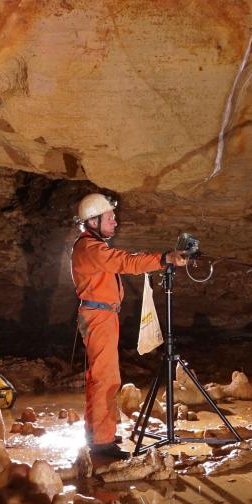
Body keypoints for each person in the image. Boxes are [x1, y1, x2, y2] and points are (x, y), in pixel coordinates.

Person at [71, 192, 187, 460]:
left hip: (101, 316)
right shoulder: (90, 248)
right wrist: (164, 259)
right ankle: (101, 441)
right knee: (105, 379)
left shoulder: (90, 246)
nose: (115, 222)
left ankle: (99, 432)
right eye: (110, 218)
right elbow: (126, 262)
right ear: (93, 221)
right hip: (99, 318)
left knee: (99, 377)